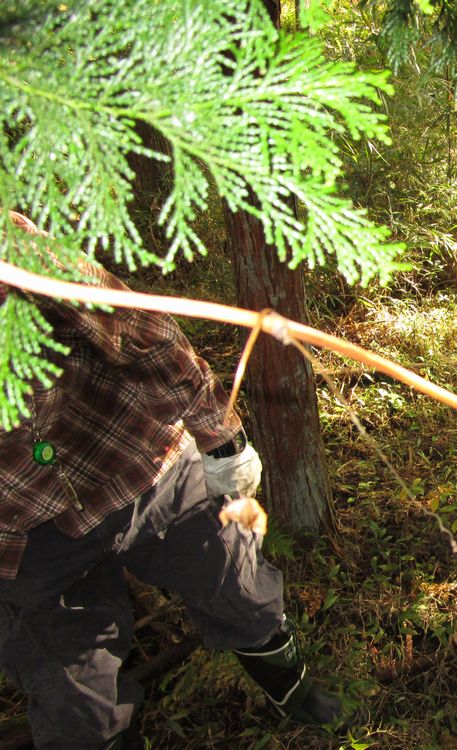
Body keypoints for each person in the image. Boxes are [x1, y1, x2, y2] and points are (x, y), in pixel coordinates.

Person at [0, 212, 341, 749]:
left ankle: (292, 691)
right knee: (74, 707)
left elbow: (140, 329)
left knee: (242, 590)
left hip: (140, 462)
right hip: (24, 538)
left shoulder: (11, 254)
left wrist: (220, 439)